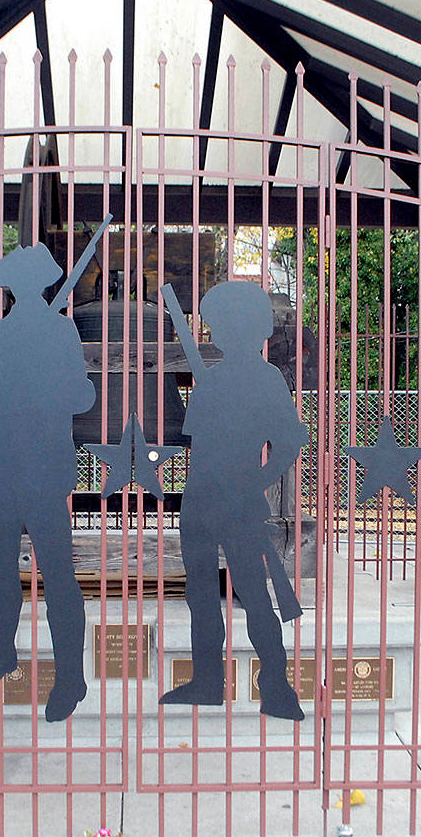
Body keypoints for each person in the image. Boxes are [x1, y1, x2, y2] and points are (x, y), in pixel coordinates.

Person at [160, 281, 307, 720]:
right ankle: (207, 681)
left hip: (238, 501)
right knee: (201, 594)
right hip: (202, 500)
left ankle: (276, 686)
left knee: (254, 595)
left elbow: (288, 441)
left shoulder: (266, 378)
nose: (216, 332)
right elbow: (196, 444)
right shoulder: (215, 381)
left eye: (222, 323)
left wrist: (255, 482)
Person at [0, 243, 96, 722]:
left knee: (51, 569)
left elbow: (80, 397)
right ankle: (4, 652)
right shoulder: (5, 337)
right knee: (10, 562)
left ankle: (71, 677)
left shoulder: (57, 334)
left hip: (34, 458)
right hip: (10, 458)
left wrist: (31, 382)